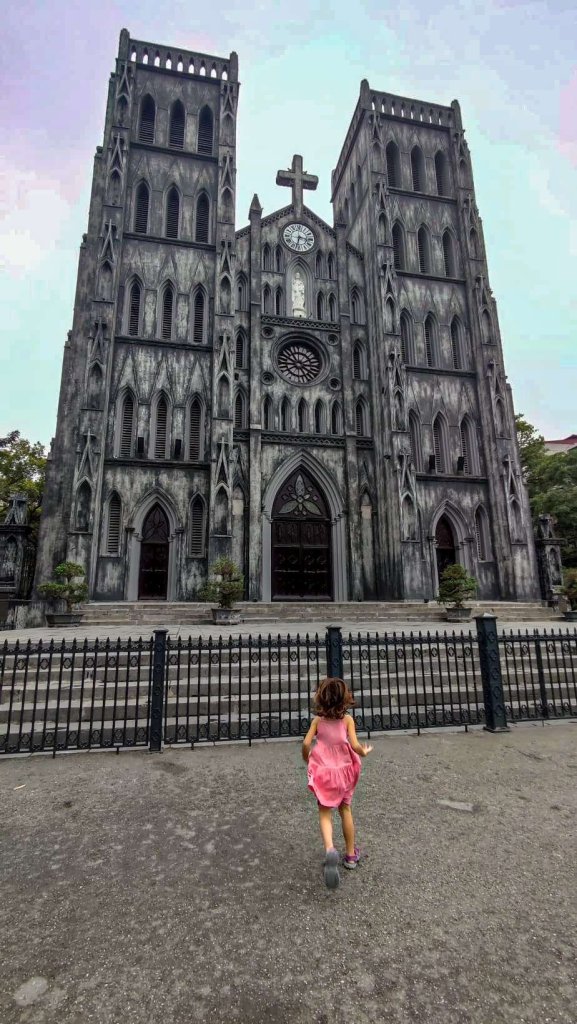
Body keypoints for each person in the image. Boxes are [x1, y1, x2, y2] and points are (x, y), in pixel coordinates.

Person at [302, 677, 373, 889]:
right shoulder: (347, 720)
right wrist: (364, 751)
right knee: (345, 809)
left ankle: (330, 848)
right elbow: (355, 745)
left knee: (325, 812)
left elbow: (306, 743)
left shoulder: (317, 722)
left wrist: (307, 757)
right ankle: (351, 855)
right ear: (345, 698)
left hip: (324, 771)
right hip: (344, 771)